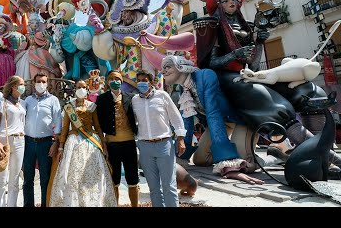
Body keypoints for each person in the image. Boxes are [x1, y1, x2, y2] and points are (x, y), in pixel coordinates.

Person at [192, 0, 341, 169]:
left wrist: (259, 43)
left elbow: (253, 64)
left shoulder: (248, 26)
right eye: (226, 0)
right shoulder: (211, 25)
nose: (232, 3)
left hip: (248, 75)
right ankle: (324, 155)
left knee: (306, 90)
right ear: (218, 3)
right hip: (225, 79)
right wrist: (235, 55)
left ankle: (322, 151)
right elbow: (209, 63)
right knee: (271, 102)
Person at [161, 55, 264, 185]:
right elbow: (186, 120)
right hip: (220, 123)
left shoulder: (205, 76)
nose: (162, 71)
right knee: (200, 160)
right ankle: (247, 155)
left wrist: (228, 164)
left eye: (167, 67)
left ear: (180, 66)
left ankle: (258, 161)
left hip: (239, 120)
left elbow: (213, 112)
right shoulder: (183, 88)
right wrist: (180, 156)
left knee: (241, 162)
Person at [49, 79, 117, 207]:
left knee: (93, 175)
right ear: (75, 89)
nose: (81, 89)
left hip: (91, 141)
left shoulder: (92, 106)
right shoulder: (69, 107)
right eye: (79, 87)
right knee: (74, 176)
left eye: (84, 87)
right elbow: (64, 129)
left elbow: (97, 126)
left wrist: (103, 144)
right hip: (73, 142)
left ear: (87, 89)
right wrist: (61, 147)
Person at [131, 69, 185, 207]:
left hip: (164, 145)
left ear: (151, 82)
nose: (141, 83)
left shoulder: (162, 96)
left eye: (145, 80)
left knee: (169, 186)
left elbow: (175, 117)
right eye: (139, 81)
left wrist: (180, 138)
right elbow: (133, 122)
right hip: (144, 147)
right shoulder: (134, 100)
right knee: (153, 188)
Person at [95, 70, 140, 206]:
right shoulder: (102, 99)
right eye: (112, 78)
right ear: (107, 81)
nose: (115, 81)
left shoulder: (130, 97)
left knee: (133, 178)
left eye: (117, 78)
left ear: (122, 81)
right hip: (111, 145)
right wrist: (102, 144)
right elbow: (98, 123)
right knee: (114, 180)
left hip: (129, 144)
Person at [23, 72, 62, 207]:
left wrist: (56, 143)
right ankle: (28, 204)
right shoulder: (28, 100)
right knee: (28, 178)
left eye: (44, 82)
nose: (41, 84)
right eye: (38, 81)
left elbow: (58, 122)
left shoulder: (53, 100)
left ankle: (46, 204)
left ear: (47, 83)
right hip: (28, 142)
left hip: (45, 143)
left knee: (45, 178)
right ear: (34, 83)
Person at [0, 76, 27, 207]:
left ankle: (12, 204)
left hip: (20, 140)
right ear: (13, 86)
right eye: (21, 84)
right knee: (2, 178)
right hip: (4, 140)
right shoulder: (2, 102)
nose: (23, 87)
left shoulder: (22, 103)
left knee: (15, 179)